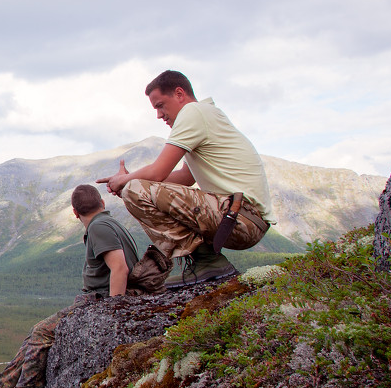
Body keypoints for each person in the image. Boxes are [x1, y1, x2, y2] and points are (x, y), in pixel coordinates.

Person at [0, 184, 139, 388]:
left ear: (75, 213)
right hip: (98, 301)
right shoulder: (110, 223)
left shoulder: (99, 227)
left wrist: (113, 312)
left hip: (100, 303)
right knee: (37, 333)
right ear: (102, 203)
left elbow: (120, 267)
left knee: (42, 332)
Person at [97, 70, 273, 288]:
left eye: (160, 105)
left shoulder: (193, 113)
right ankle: (206, 262)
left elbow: (158, 172)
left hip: (241, 218)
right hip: (241, 218)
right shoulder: (204, 115)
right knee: (136, 186)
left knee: (134, 190)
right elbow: (184, 178)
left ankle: (207, 262)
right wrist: (132, 178)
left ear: (179, 93)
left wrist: (126, 181)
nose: (159, 115)